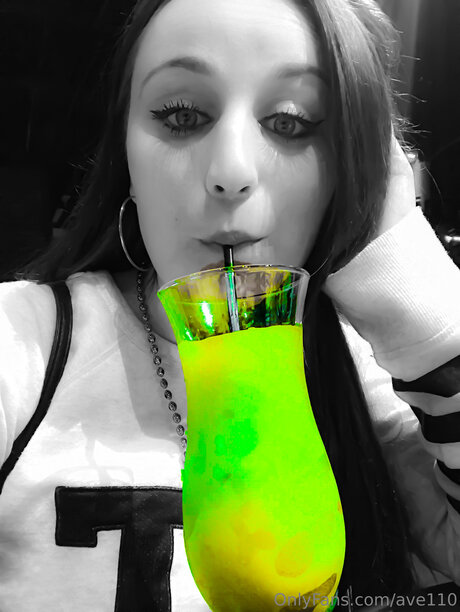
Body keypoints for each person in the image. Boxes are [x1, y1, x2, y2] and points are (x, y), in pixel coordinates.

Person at [1, 0, 460, 609]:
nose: (232, 171)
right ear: (127, 162)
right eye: (182, 114)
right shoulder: (22, 343)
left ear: (349, 169)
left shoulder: (378, 379)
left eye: (291, 122)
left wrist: (416, 297)